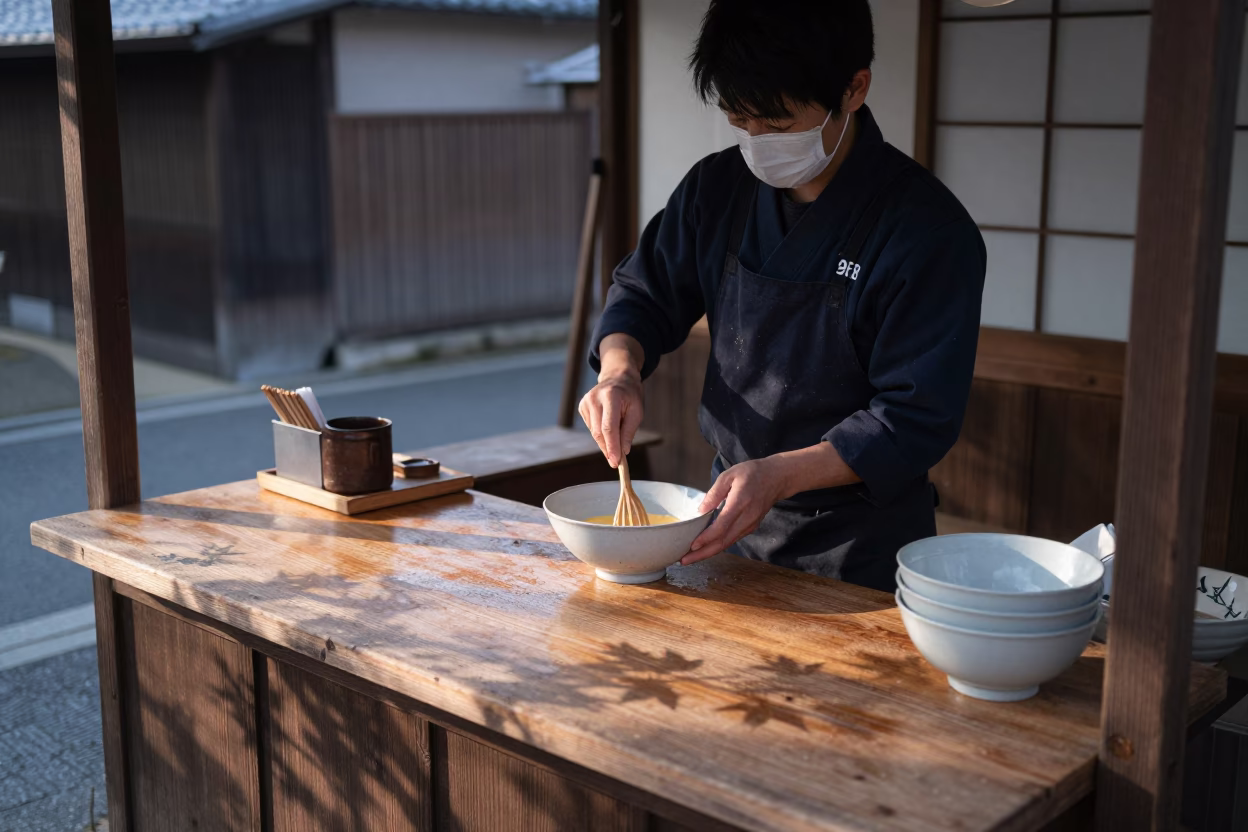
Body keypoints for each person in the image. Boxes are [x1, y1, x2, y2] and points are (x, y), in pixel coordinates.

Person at [579, 0, 986, 592]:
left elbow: (915, 415)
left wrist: (780, 475)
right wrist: (619, 372)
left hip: (859, 548)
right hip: (726, 525)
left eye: (776, 123)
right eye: (741, 123)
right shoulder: (717, 188)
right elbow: (643, 293)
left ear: (853, 89)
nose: (758, 142)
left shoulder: (926, 230)